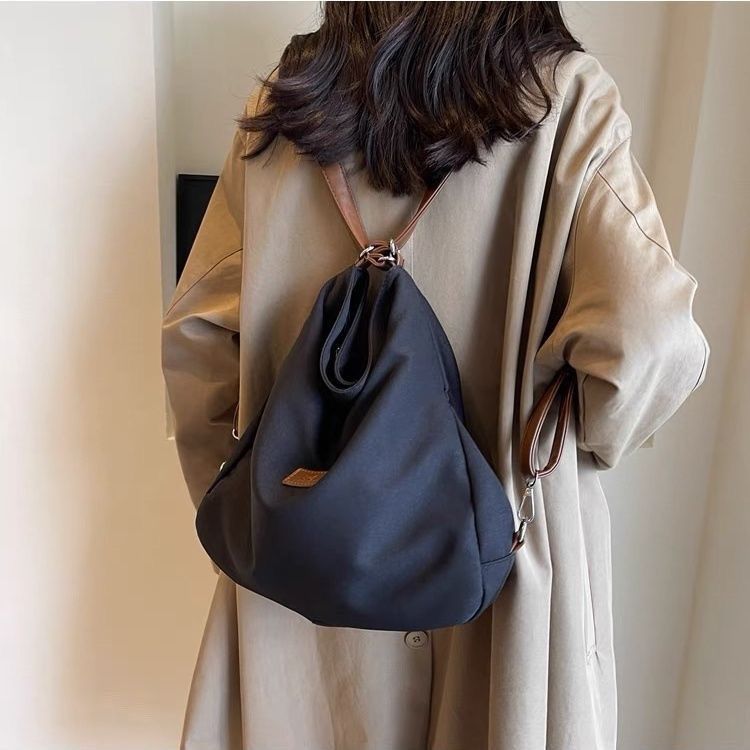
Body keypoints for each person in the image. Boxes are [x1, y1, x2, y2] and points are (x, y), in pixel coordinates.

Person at [161, 3, 709, 749]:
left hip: (301, 584)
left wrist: (262, 506)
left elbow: (196, 341)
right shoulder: (564, 101)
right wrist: (573, 438)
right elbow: (652, 335)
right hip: (503, 577)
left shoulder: (287, 102)